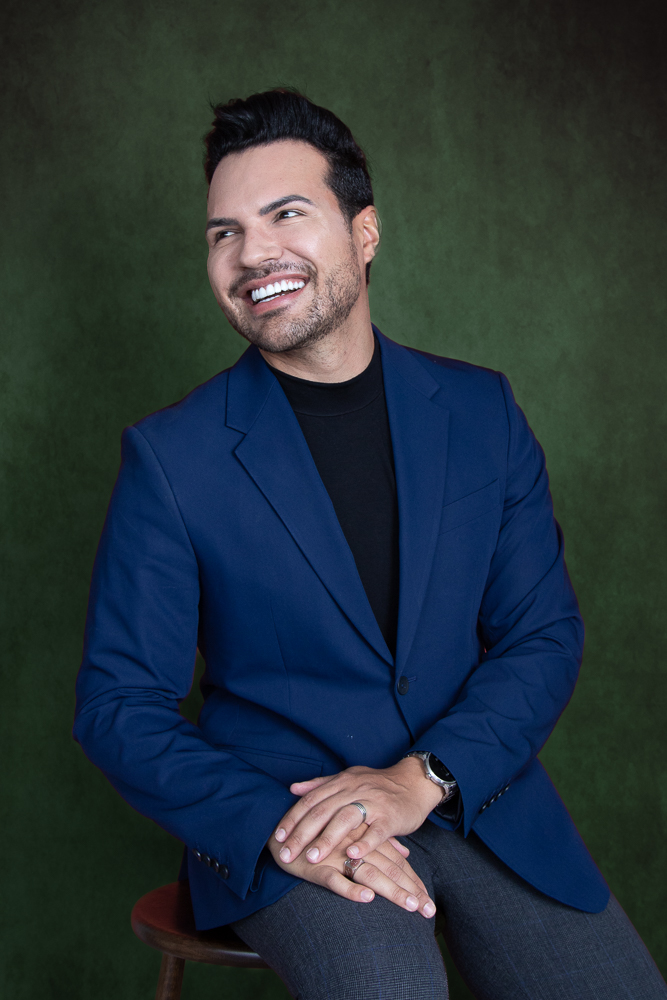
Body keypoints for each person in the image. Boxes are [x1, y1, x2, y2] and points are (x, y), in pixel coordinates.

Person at [73, 89, 666, 999]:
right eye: (224, 232)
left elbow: (542, 634)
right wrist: (272, 826)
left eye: (286, 214)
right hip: (294, 821)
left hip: (474, 792)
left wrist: (424, 778)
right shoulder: (171, 457)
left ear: (365, 232)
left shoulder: (481, 410)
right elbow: (119, 705)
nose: (251, 254)